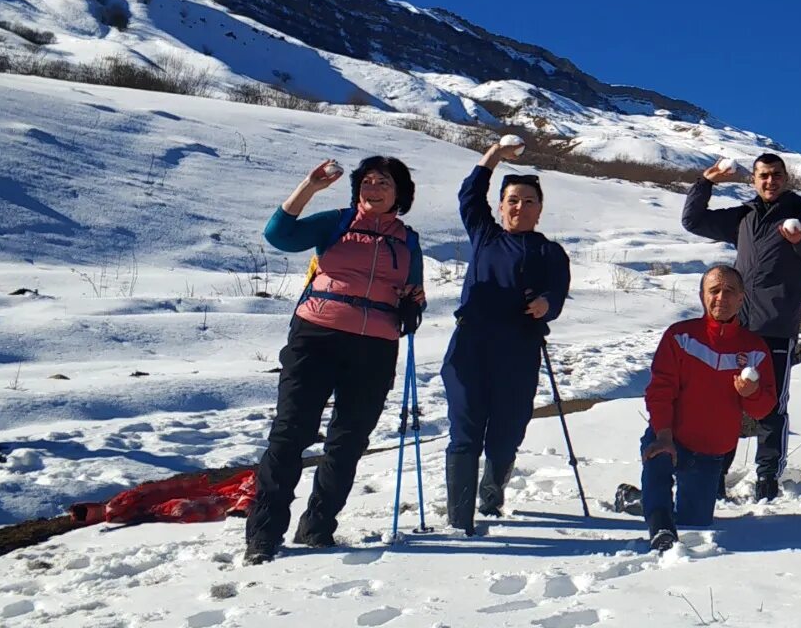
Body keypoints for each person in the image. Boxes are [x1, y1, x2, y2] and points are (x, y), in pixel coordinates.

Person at [243, 156, 424, 564]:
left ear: (401, 193)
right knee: (291, 433)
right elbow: (279, 235)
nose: (374, 188)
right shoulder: (337, 221)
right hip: (317, 335)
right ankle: (264, 535)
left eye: (384, 182)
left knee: (348, 442)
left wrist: (414, 304)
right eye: (368, 181)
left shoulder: (409, 241)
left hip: (375, 347)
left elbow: (414, 290)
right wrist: (309, 186)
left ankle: (318, 527)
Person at [682, 153, 801, 501]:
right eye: (764, 176)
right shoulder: (745, 215)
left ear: (786, 178)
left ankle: (767, 477)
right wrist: (705, 183)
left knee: (770, 406)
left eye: (777, 175)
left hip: (777, 325)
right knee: (727, 402)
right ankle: (716, 473)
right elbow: (693, 221)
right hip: (739, 325)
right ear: (754, 179)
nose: (770, 181)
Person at [442, 141, 571, 535]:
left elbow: (558, 292)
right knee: (465, 429)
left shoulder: (551, 252)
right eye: (512, 200)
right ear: (501, 206)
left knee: (507, 431)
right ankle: (460, 518)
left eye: (529, 201)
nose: (520, 207)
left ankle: (491, 495)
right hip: (470, 346)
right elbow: (469, 194)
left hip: (519, 347)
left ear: (540, 209)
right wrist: (494, 155)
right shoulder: (485, 235)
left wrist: (545, 305)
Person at [641, 266, 778, 550]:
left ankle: (635, 500)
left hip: (710, 452)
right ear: (703, 296)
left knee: (695, 521)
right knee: (658, 459)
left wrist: (751, 393)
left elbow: (763, 409)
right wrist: (663, 433)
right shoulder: (680, 336)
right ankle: (660, 529)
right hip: (670, 436)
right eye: (714, 290)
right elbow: (659, 390)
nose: (721, 297)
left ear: (741, 299)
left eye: (729, 291)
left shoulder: (754, 349)